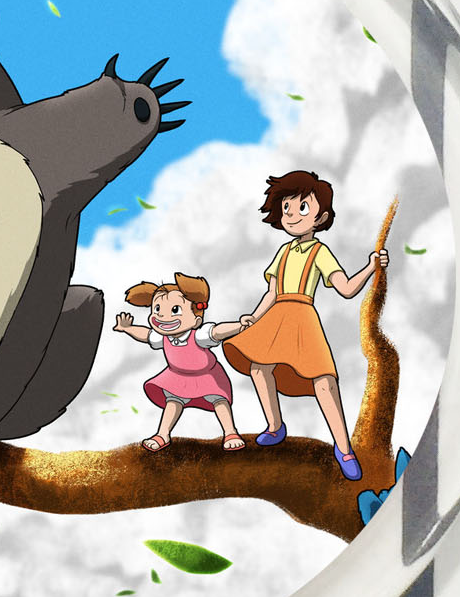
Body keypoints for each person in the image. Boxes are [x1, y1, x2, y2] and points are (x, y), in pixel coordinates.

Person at [223, 169, 387, 480]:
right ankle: (275, 426)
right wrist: (254, 318)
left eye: (302, 207)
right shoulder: (283, 252)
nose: (291, 214)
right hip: (276, 316)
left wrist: (370, 268)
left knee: (324, 382)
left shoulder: (320, 252)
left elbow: (346, 289)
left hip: (303, 317)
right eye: (286, 207)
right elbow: (272, 292)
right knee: (259, 367)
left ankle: (344, 449)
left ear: (320, 217)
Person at [113, 274, 250, 451]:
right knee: (173, 402)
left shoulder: (199, 335)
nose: (163, 316)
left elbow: (217, 331)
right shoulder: (162, 337)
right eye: (157, 309)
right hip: (177, 376)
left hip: (207, 376)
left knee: (219, 401)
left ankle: (230, 433)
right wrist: (127, 328)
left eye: (175, 310)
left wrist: (239, 325)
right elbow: (146, 335)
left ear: (196, 319)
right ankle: (162, 435)